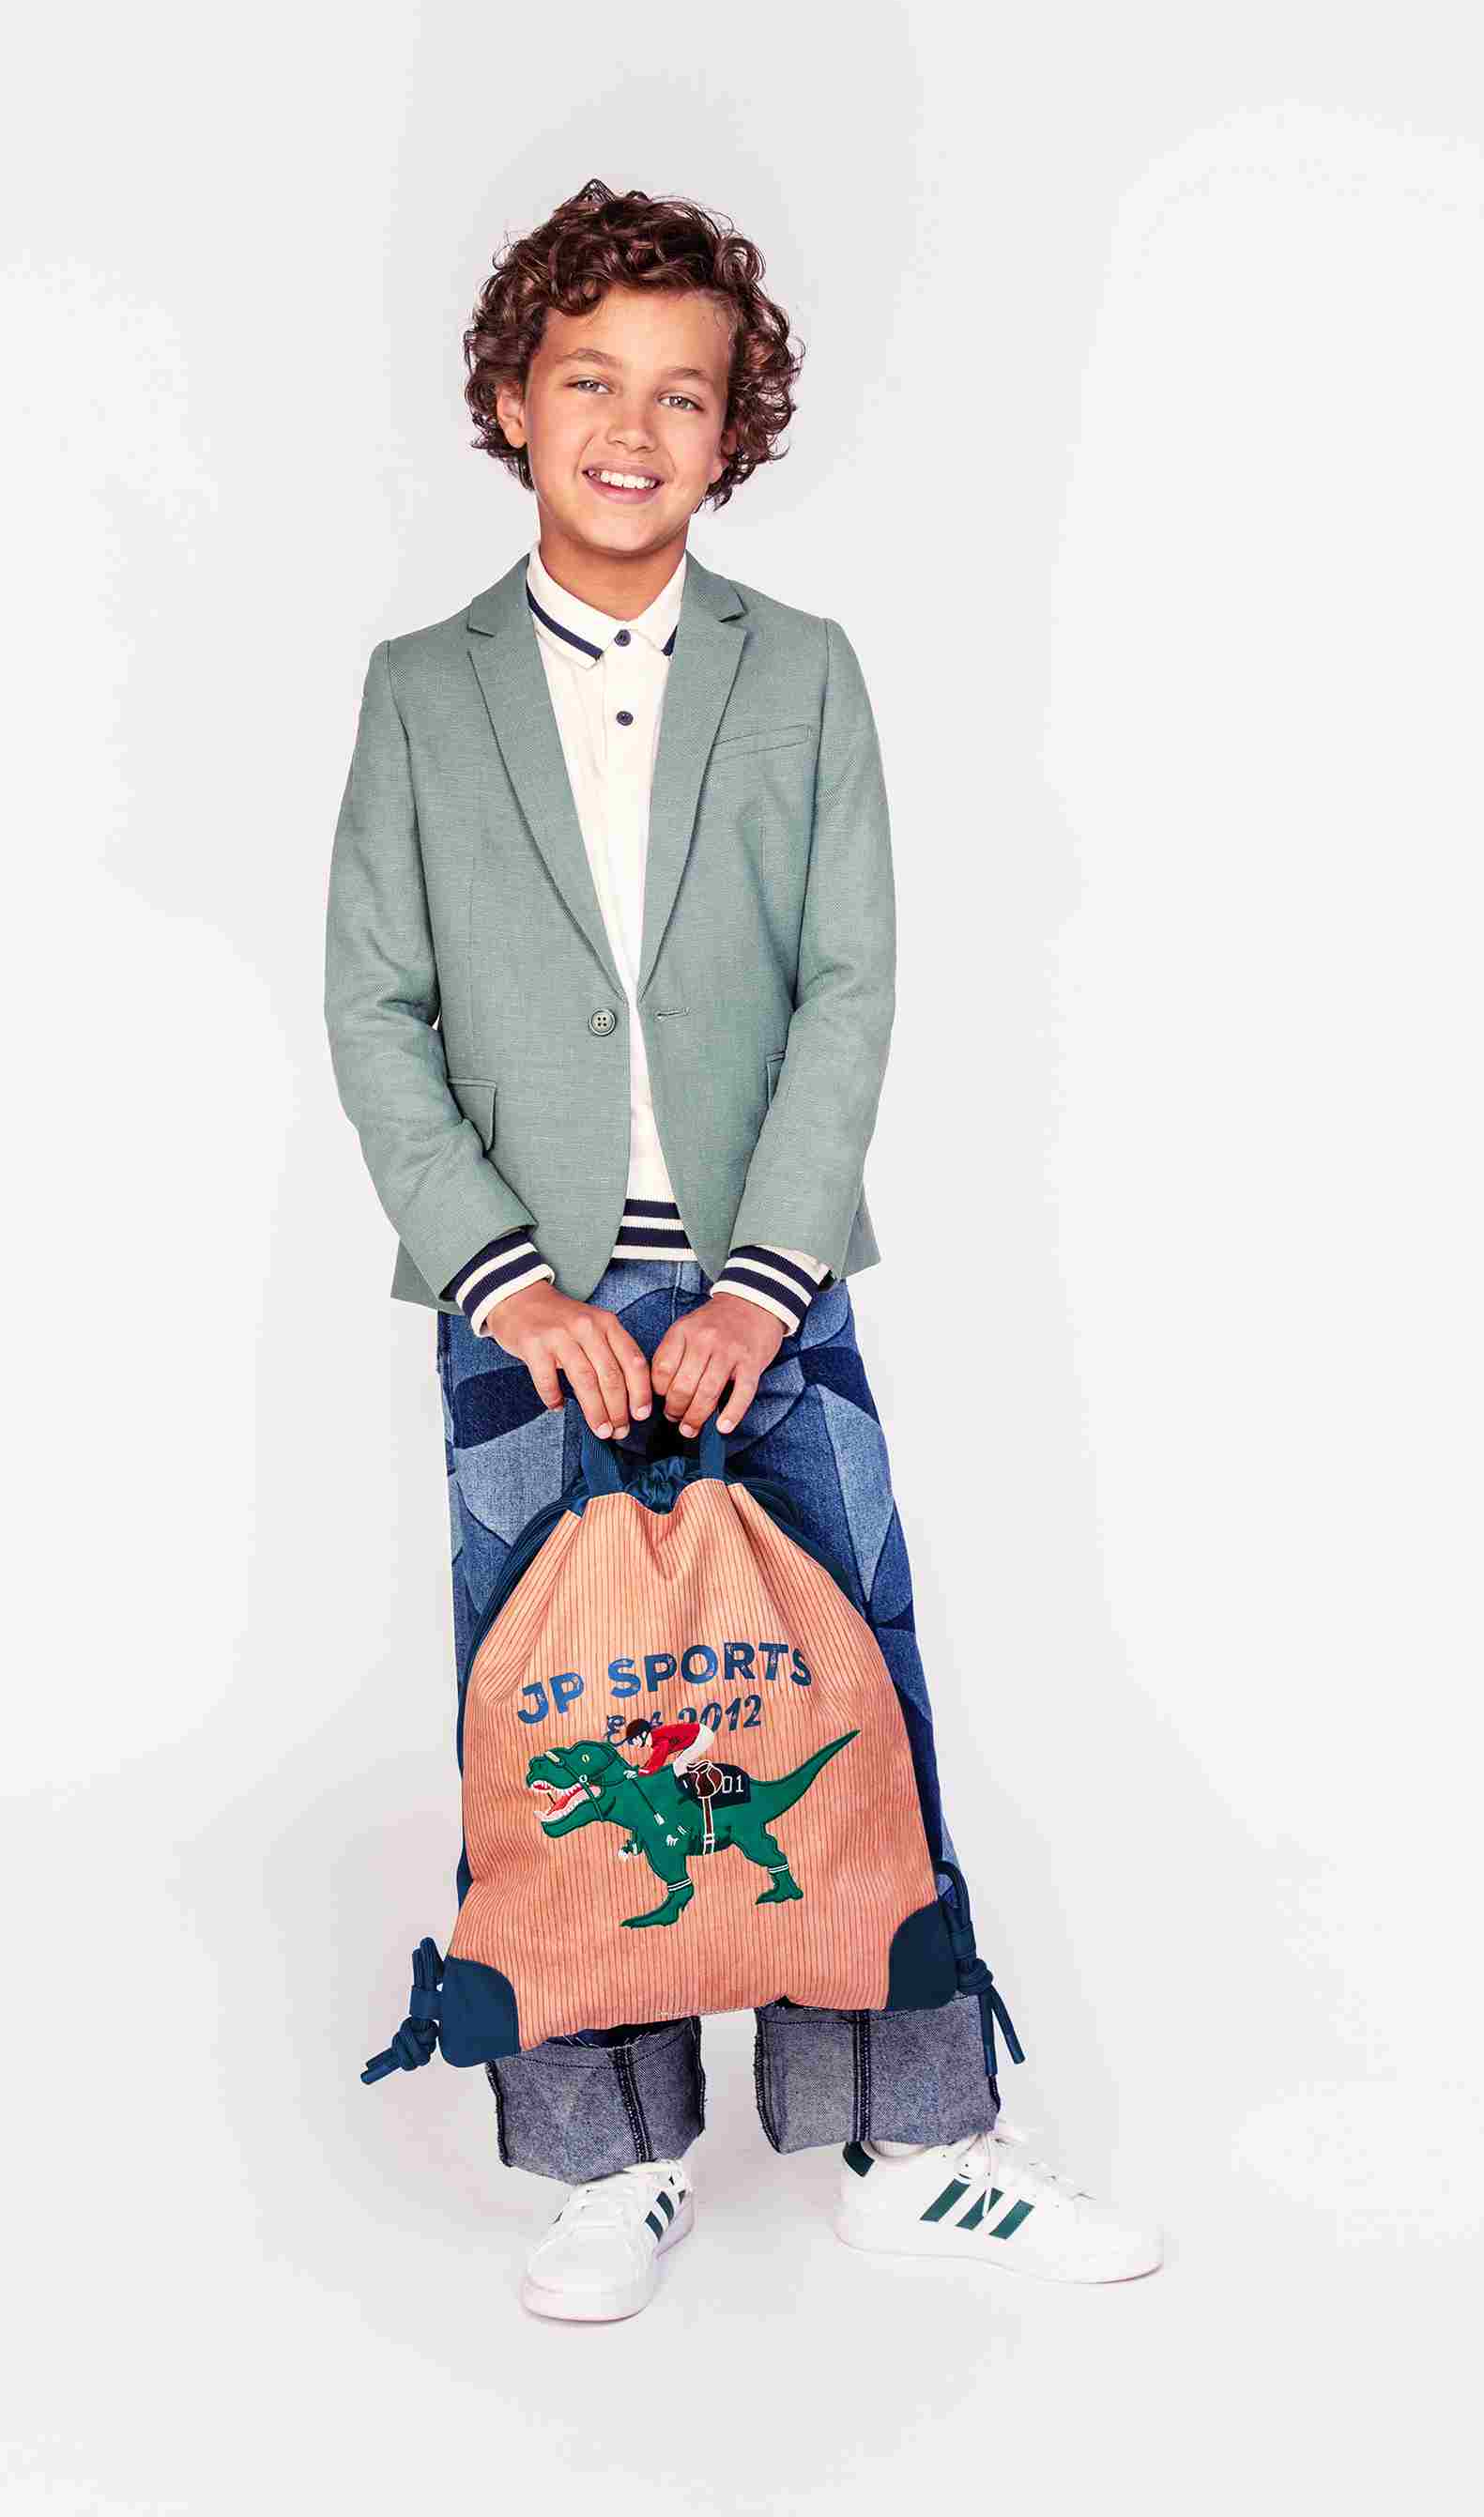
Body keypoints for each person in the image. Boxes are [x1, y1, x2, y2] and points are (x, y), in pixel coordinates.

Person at [323, 178, 1163, 2319]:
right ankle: (608, 2164)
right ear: (512, 403)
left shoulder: (804, 676)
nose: (631, 427)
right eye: (588, 381)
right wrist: (505, 1278)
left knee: (842, 1689)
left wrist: (763, 1281)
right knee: (558, 1714)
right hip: (522, 1307)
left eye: (681, 395)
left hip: (764, 1292)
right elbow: (376, 1006)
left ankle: (915, 2143)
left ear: (734, 430)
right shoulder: (420, 693)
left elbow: (850, 983)